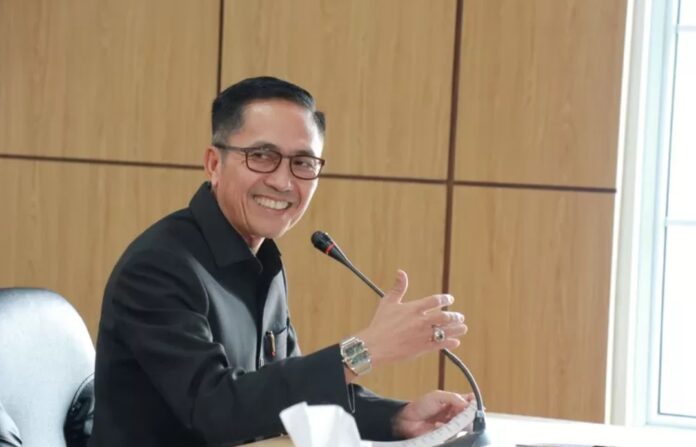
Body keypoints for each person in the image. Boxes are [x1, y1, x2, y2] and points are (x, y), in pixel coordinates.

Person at [88, 76, 472, 447]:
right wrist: (363, 350)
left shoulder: (264, 259)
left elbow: (285, 400)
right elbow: (215, 410)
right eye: (262, 156)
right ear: (214, 164)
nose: (283, 182)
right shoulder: (158, 267)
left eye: (303, 163)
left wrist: (396, 417)